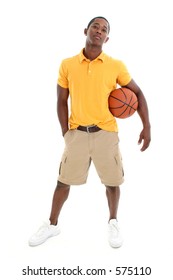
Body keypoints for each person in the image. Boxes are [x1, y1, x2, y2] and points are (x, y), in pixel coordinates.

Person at [28, 16, 151, 248]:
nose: (99, 31)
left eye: (104, 29)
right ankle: (52, 225)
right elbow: (61, 100)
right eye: (96, 26)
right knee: (63, 182)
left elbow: (138, 93)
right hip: (77, 134)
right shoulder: (67, 64)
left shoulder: (115, 65)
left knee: (113, 183)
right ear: (86, 30)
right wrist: (66, 132)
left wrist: (147, 125)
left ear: (107, 37)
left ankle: (113, 222)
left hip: (106, 133)